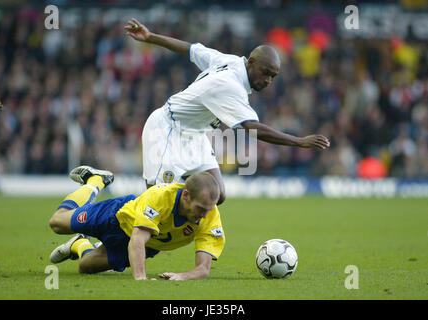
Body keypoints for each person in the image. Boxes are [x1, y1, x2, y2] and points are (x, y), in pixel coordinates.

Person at [124, 18, 331, 205]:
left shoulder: (231, 61)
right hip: (167, 129)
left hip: (194, 134)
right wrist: (299, 141)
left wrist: (150, 37)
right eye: (265, 73)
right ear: (251, 63)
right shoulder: (230, 85)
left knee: (217, 193)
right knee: (155, 204)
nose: (268, 81)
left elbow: (190, 49)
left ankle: (184, 223)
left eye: (273, 77)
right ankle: (120, 230)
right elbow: (252, 128)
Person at [48, 165, 225, 280]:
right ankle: (95, 181)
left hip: (148, 246)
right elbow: (138, 238)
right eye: (200, 208)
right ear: (185, 195)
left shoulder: (210, 216)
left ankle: (79, 243)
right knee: (57, 223)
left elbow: (203, 269)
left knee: (85, 266)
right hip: (116, 217)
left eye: (209, 209)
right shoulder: (160, 197)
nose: (204, 215)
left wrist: (181, 276)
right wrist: (141, 278)